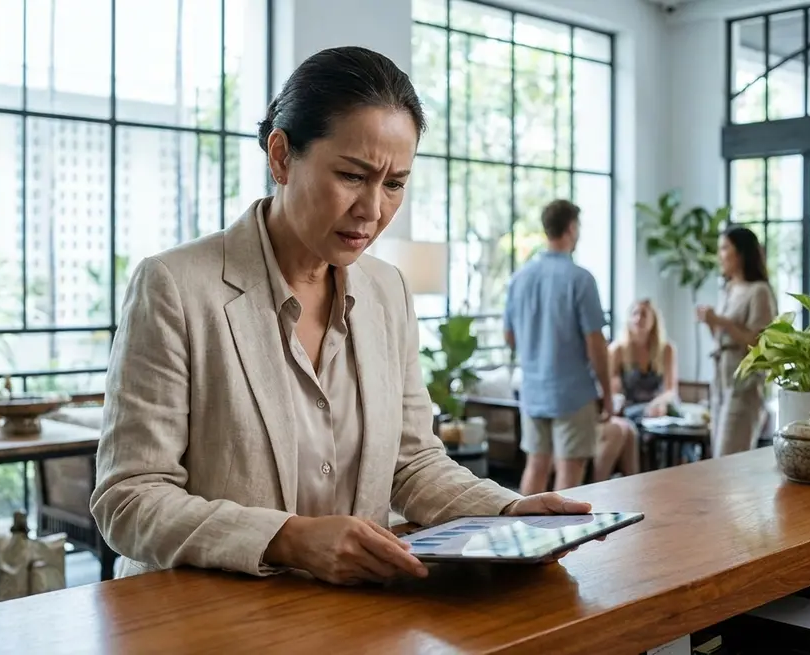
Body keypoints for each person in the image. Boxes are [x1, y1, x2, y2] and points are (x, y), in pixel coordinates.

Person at [90, 46, 590, 587]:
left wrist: (508, 512)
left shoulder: (386, 291)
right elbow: (129, 498)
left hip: (356, 620)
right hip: (206, 622)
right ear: (280, 156)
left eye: (394, 183)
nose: (373, 210)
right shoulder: (175, 286)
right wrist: (289, 538)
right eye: (353, 176)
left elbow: (413, 461)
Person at [504, 199, 611, 495]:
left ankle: (524, 539)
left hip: (533, 390)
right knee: (569, 471)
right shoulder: (581, 279)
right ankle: (564, 540)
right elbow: (596, 345)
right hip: (572, 393)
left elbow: (510, 337)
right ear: (572, 228)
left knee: (535, 466)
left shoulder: (519, 279)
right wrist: (608, 393)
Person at [696, 226, 776, 457]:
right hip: (720, 377)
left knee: (729, 453)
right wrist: (712, 322)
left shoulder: (759, 291)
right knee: (718, 454)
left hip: (744, 381)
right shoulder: (729, 289)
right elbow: (722, 339)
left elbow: (759, 343)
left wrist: (722, 321)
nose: (720, 255)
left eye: (724, 248)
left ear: (740, 253)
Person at [594, 299, 677, 480]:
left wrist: (658, 403)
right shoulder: (618, 350)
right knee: (632, 429)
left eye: (644, 314)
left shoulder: (666, 349)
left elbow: (671, 390)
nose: (639, 318)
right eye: (635, 313)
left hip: (658, 407)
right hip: (630, 409)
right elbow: (611, 389)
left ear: (654, 320)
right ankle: (638, 479)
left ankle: (669, 477)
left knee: (672, 419)